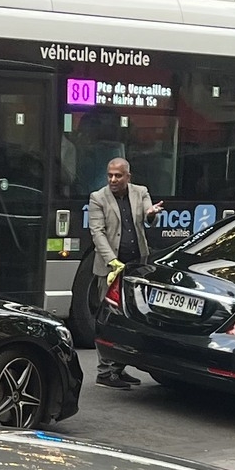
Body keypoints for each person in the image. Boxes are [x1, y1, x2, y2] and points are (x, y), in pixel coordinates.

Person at [83, 156, 155, 390]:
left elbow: (147, 215)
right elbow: (97, 233)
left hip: (135, 266)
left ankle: (118, 369)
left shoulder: (140, 192)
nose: (113, 179)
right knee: (109, 318)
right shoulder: (98, 198)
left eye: (118, 175)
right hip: (110, 268)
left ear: (128, 177)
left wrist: (152, 214)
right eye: (110, 175)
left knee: (130, 317)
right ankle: (105, 372)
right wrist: (113, 262)